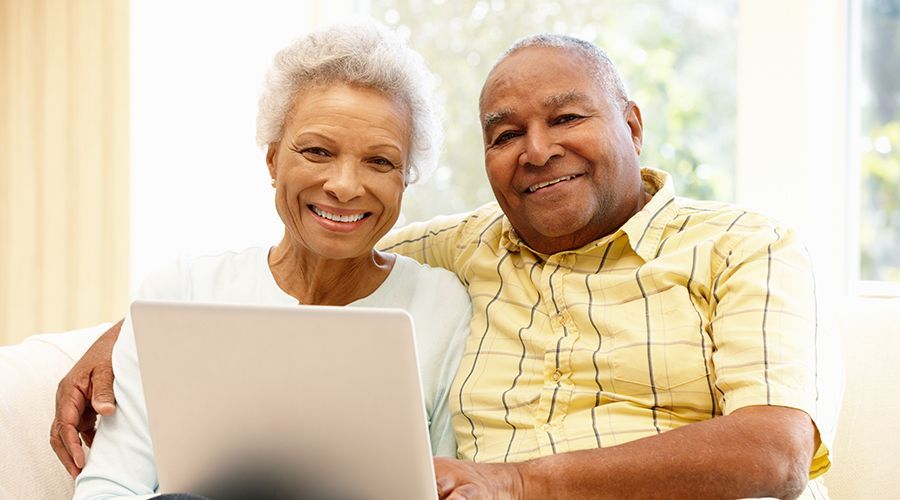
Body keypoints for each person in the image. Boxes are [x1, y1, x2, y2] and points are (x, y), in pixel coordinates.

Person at [54, 33, 834, 500]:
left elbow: (776, 453)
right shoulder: (459, 254)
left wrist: (524, 484)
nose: (536, 149)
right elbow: (319, 255)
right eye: (505, 133)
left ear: (632, 123)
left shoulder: (743, 246)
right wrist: (134, 334)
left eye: (567, 117)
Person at [67, 24, 472, 499]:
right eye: (318, 151)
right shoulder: (182, 290)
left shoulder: (443, 306)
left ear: (406, 179)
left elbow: (452, 483)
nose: (344, 185)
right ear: (273, 160)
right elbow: (110, 486)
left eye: (380, 162)